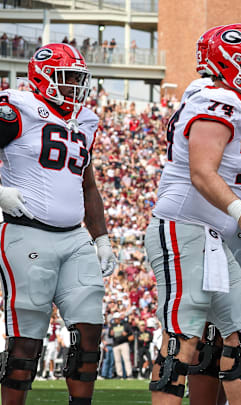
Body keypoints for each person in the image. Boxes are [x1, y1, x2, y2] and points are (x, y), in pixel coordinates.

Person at [144, 23, 241, 405]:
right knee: (182, 340)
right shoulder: (216, 101)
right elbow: (201, 172)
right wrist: (240, 209)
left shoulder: (228, 102)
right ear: (223, 63)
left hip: (209, 234)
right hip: (184, 226)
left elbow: (231, 174)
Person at [0, 42, 118, 405]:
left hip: (75, 238)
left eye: (77, 80)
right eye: (66, 79)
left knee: (89, 332)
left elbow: (88, 183)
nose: (73, 87)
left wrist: (102, 238)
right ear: (42, 77)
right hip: (26, 232)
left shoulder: (83, 120)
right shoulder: (16, 107)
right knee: (26, 342)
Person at [111, 313, 134, 379]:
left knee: (126, 359)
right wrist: (111, 333)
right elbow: (110, 335)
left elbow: (131, 333)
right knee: (117, 360)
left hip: (124, 343)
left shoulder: (125, 325)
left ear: (119, 318)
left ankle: (129, 374)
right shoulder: (113, 325)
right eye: (114, 319)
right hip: (116, 344)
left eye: (116, 319)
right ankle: (119, 375)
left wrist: (126, 334)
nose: (115, 320)